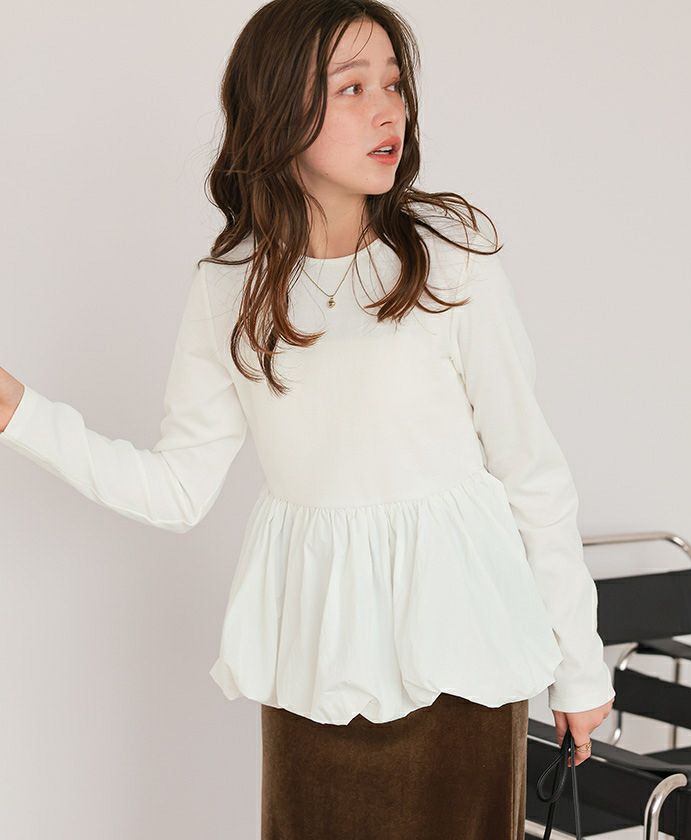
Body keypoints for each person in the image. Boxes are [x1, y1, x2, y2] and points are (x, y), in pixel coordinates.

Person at [0, 1, 614, 837]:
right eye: (352, 88)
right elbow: (176, 489)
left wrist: (580, 668)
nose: (388, 110)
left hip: (460, 647)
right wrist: (20, 414)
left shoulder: (448, 258)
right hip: (314, 652)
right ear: (278, 110)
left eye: (393, 84)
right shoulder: (230, 288)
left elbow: (529, 470)